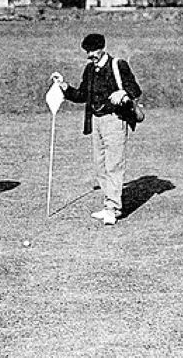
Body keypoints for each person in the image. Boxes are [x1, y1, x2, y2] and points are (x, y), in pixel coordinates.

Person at [51, 34, 142, 225]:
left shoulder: (118, 65)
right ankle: (109, 203)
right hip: (96, 122)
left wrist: (123, 92)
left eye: (92, 51)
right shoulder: (90, 69)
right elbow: (82, 95)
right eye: (87, 52)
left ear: (102, 48)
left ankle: (113, 208)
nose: (89, 55)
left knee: (113, 165)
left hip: (115, 121)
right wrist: (64, 87)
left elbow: (135, 89)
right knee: (99, 165)